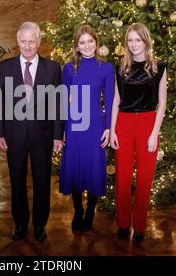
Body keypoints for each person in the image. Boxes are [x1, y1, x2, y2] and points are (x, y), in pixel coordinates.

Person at [0, 21, 64, 242]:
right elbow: (0, 102)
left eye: (31, 41)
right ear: (17, 42)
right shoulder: (6, 67)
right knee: (17, 181)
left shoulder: (52, 68)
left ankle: (40, 224)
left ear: (39, 42)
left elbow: (57, 104)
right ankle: (20, 223)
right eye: (23, 41)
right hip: (14, 135)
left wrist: (57, 135)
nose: (27, 46)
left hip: (42, 136)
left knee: (42, 182)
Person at [110, 22, 167, 243]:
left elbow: (162, 104)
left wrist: (154, 133)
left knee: (144, 179)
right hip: (123, 124)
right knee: (123, 178)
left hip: (147, 124)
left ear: (146, 41)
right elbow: (116, 100)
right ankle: (123, 223)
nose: (134, 45)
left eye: (137, 40)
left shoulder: (158, 67)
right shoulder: (121, 68)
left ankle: (140, 226)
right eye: (130, 40)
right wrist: (113, 130)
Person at [59, 24, 114, 233]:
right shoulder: (68, 68)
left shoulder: (106, 68)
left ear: (96, 42)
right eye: (82, 42)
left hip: (95, 126)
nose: (87, 46)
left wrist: (109, 128)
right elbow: (63, 101)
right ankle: (78, 209)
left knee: (92, 166)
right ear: (76, 45)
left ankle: (91, 209)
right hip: (73, 125)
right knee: (74, 165)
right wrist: (62, 128)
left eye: (90, 41)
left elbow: (109, 101)